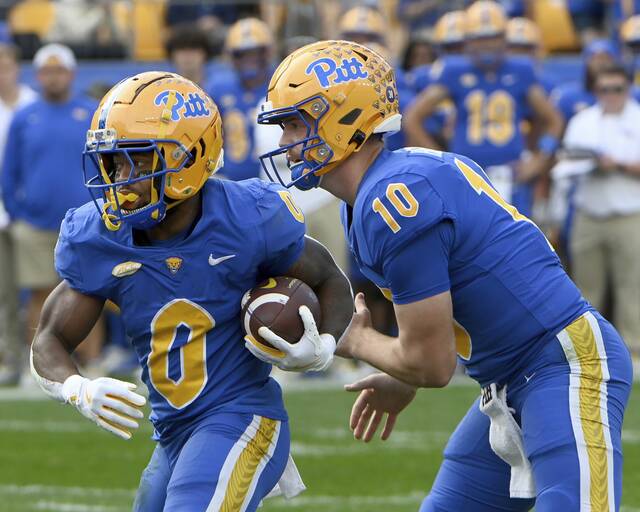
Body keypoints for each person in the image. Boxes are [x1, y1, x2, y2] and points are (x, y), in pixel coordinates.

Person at [256, 39, 633, 511]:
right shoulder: (383, 191)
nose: (287, 143)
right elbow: (437, 317)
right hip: (510, 377)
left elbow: (433, 362)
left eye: (296, 124)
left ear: (344, 118)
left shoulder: (393, 198)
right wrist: (401, 376)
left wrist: (351, 340)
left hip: (563, 363)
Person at [30, 72, 353, 511]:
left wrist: (324, 347)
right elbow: (50, 337)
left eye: (138, 161)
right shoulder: (100, 236)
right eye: (113, 162)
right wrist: (76, 388)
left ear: (189, 157)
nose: (121, 179)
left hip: (243, 416)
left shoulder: (247, 218)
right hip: (172, 434)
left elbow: (330, 279)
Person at [405, 1, 563, 217]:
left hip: (509, 172)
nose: (487, 45)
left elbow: (553, 120)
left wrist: (540, 159)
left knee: (515, 237)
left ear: (504, 38)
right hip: (467, 172)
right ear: (468, 41)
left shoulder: (521, 70)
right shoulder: (454, 70)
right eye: (480, 38)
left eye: (493, 37)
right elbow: (413, 117)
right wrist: (440, 162)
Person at [0, 43, 100, 379]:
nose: (53, 77)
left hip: (87, 221)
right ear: (38, 76)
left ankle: (91, 362)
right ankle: (38, 365)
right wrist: (18, 213)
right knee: (40, 293)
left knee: (90, 291)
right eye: (47, 71)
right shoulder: (25, 116)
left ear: (71, 74)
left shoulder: (90, 112)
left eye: (59, 70)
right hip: (37, 224)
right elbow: (8, 171)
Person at [561, 64, 640, 367]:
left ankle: (633, 356)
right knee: (585, 289)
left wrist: (616, 165)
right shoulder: (583, 121)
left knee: (631, 288)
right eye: (604, 89)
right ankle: (588, 354)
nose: (610, 95)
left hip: (629, 213)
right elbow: (566, 158)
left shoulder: (636, 118)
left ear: (628, 89)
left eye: (616, 89)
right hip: (589, 212)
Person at [0, 42, 37, 385]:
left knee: (36, 290)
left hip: (27, 213)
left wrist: (21, 206)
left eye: (6, 65)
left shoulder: (30, 104)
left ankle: (32, 359)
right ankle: (10, 357)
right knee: (5, 294)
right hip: (4, 212)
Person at [207, 17, 274, 181]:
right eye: (241, 54)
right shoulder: (218, 88)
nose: (249, 60)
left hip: (275, 177)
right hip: (230, 180)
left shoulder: (280, 84)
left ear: (267, 52)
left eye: (256, 52)